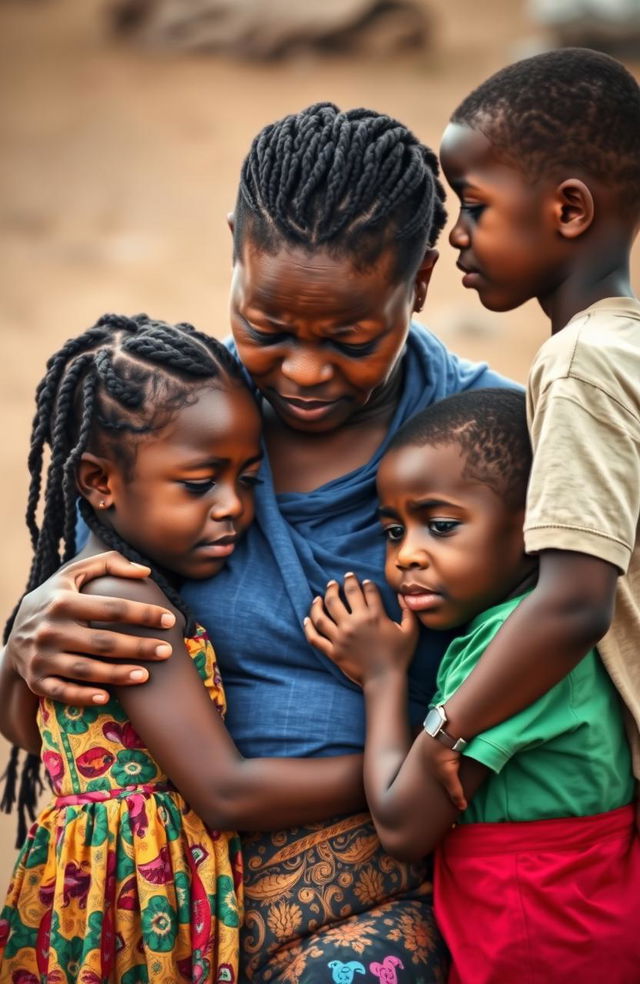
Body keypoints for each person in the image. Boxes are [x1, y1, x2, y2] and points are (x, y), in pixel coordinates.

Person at [0, 105, 513, 982]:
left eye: (352, 340)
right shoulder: (174, 420)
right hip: (158, 890)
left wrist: (432, 763)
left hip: (383, 886)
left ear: (420, 281)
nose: (305, 374)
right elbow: (45, 716)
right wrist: (19, 652)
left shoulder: (484, 447)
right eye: (266, 328)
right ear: (236, 249)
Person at [0, 313, 366, 983]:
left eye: (248, 480)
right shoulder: (129, 603)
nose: (232, 506)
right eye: (200, 484)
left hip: (87, 886)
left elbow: (28, 729)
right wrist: (399, 774)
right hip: (138, 898)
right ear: (99, 482)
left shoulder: (78, 589)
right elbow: (227, 791)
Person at [305, 388, 640, 983]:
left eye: (440, 526)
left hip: (542, 929)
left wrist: (383, 676)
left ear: (531, 526)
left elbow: (403, 825)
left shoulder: (511, 646)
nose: (407, 555)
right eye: (392, 532)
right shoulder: (532, 628)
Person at [414, 47, 640, 812]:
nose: (456, 237)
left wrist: (447, 729)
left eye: (474, 205)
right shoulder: (627, 344)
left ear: (569, 209)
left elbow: (575, 600)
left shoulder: (578, 363)